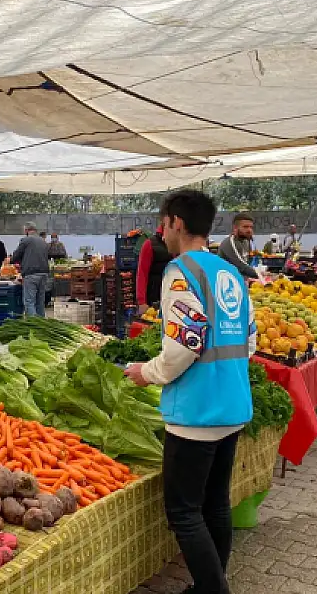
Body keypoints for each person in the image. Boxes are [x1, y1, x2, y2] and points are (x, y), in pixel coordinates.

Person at [123, 189, 254, 594]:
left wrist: (147, 372)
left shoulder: (180, 272)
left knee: (183, 511)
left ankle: (214, 589)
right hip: (231, 405)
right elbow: (250, 340)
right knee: (215, 503)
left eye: (162, 222)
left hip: (196, 411)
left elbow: (185, 344)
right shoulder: (230, 272)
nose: (160, 230)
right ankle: (209, 583)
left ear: (176, 222)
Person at [12, 222, 51, 316]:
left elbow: (16, 256)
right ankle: (41, 324)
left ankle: (34, 326)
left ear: (26, 230)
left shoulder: (26, 240)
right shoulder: (43, 241)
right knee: (40, 302)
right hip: (44, 274)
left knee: (29, 302)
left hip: (31, 274)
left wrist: (12, 260)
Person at [135, 227, 173, 311]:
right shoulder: (149, 244)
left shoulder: (179, 244)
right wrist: (141, 302)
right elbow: (142, 274)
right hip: (154, 299)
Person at [218, 213, 259, 279]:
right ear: (235, 228)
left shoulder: (246, 241)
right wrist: (261, 275)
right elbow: (241, 267)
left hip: (241, 280)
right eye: (245, 227)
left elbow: (248, 263)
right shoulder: (230, 242)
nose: (249, 230)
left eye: (251, 227)